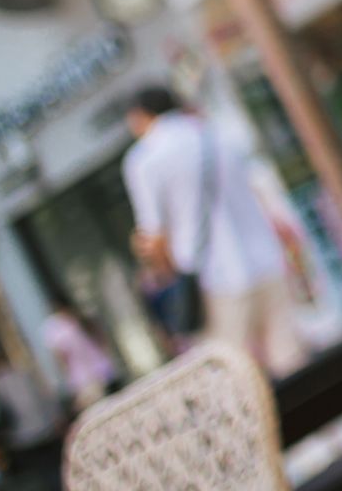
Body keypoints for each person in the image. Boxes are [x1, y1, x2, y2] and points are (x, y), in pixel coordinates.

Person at [122, 86, 308, 377]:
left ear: (140, 117)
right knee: (290, 361)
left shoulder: (145, 159)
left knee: (235, 378)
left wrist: (162, 271)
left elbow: (153, 237)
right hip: (267, 262)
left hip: (214, 280)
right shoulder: (219, 134)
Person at [38, 298, 117, 416]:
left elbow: (62, 358)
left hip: (87, 378)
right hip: (100, 372)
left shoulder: (58, 328)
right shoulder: (71, 323)